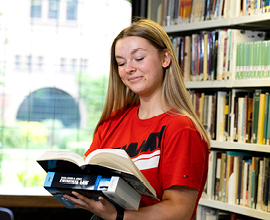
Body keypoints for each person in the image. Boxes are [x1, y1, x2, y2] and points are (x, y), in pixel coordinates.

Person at [64, 19, 210, 220]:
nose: (128, 68)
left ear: (165, 58)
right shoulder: (111, 123)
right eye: (121, 62)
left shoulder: (182, 129)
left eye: (139, 58)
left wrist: (118, 216)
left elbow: (179, 210)